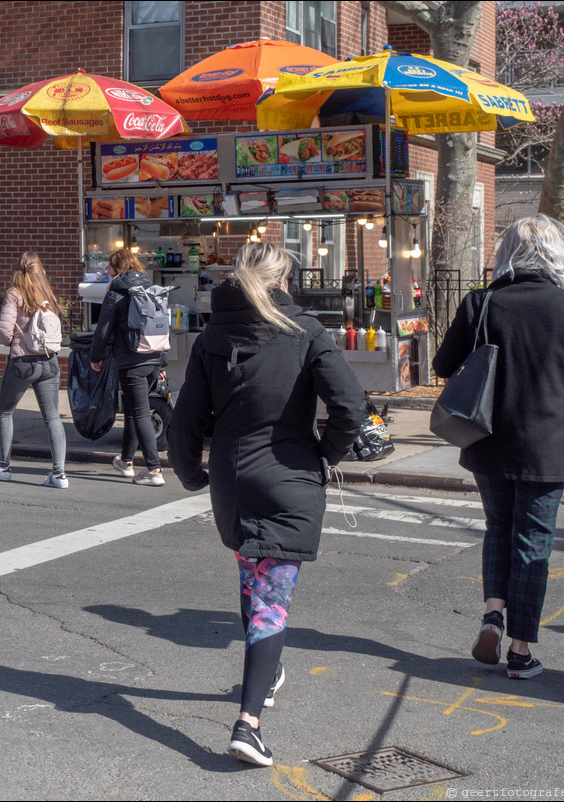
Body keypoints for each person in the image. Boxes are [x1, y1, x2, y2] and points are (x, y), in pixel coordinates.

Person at [167, 242, 364, 766]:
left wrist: (192, 474)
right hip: (290, 473)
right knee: (270, 601)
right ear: (284, 279)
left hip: (233, 478)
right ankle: (248, 723)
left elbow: (184, 422)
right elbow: (350, 406)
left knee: (253, 577)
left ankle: (268, 670)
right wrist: (324, 456)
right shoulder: (305, 331)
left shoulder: (214, 334)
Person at [433, 214, 564, 680]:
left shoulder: (482, 301)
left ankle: (493, 612)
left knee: (498, 529)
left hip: (486, 437)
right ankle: (520, 649)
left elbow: (443, 363)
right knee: (533, 544)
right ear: (559, 255)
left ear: (505, 253)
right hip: (545, 444)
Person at [0, 251, 69, 488]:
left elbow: (4, 332)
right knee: (52, 417)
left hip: (22, 362)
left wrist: (13, 340)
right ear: (40, 270)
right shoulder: (46, 293)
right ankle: (59, 475)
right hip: (49, 361)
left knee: (5, 412)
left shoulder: (15, 294)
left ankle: (3, 467)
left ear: (19, 269)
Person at [88, 248, 167, 486]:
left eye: (110, 268)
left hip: (131, 360)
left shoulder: (117, 291)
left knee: (140, 412)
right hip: (153, 357)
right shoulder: (150, 288)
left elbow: (104, 328)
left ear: (117, 268)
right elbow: (162, 324)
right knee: (134, 410)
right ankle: (126, 461)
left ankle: (154, 469)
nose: (108, 272)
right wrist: (161, 361)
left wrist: (96, 356)